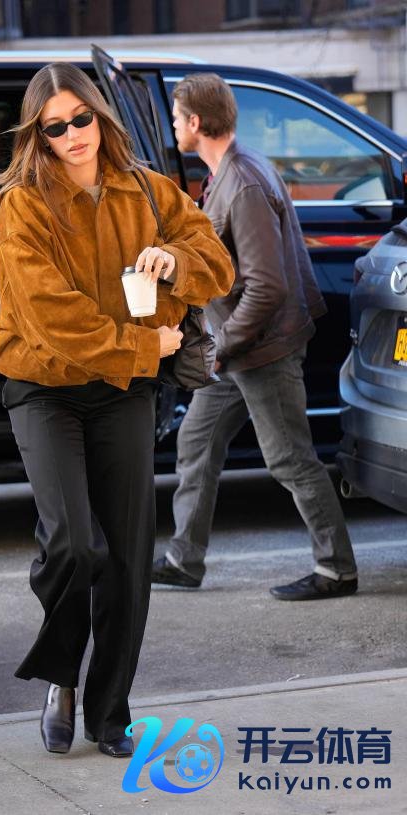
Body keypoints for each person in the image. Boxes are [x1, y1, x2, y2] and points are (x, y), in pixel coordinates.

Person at [0, 63, 233, 758]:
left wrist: (173, 260)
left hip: (124, 390)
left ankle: (111, 710)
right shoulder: (24, 205)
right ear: (38, 136)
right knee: (73, 543)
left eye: (80, 118)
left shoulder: (147, 189)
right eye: (54, 127)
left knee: (126, 557)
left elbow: (216, 261)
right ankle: (61, 677)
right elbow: (52, 318)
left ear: (100, 116)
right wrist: (145, 343)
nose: (72, 135)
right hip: (45, 385)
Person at [151, 73, 358, 601]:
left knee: (290, 458)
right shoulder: (227, 171)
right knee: (196, 442)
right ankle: (183, 561)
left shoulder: (242, 183)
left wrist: (220, 348)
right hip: (236, 349)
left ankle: (336, 569)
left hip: (262, 349)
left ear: (196, 121)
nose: (173, 126)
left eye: (175, 117)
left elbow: (267, 287)